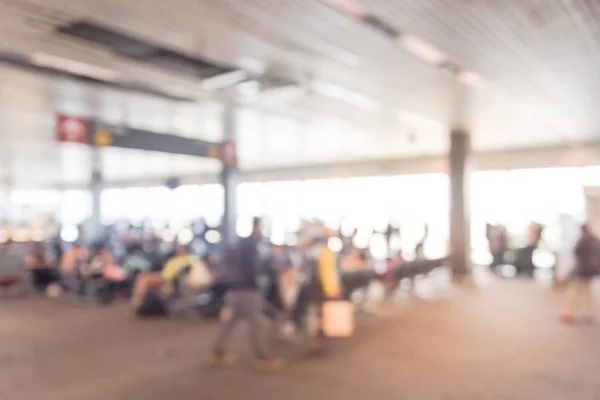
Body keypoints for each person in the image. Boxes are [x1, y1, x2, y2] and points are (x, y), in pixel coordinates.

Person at [211, 217, 283, 372]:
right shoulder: (253, 244)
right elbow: (253, 267)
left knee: (231, 321)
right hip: (248, 289)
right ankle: (263, 357)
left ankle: (218, 351)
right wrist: (258, 284)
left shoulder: (240, 243)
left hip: (234, 288)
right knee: (257, 324)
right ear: (258, 227)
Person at [561, 224, 600, 324]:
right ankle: (590, 314)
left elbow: (576, 252)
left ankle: (569, 313)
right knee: (589, 292)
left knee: (574, 291)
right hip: (592, 271)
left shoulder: (582, 240)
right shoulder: (596, 240)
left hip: (581, 270)